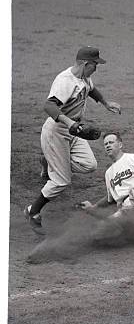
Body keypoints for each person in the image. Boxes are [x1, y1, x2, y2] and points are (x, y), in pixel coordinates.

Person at [24, 46, 122, 235]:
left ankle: (49, 160)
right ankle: (33, 211)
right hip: (57, 131)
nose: (96, 67)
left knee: (89, 165)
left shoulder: (84, 77)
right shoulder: (65, 81)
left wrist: (106, 103)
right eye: (95, 64)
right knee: (61, 181)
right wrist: (69, 123)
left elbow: (91, 89)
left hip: (73, 130)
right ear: (85, 63)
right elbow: (49, 105)